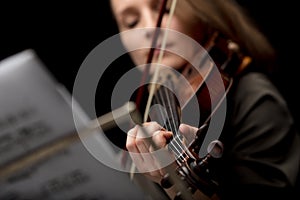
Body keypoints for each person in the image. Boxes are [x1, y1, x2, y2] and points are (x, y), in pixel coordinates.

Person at [108, 0, 300, 199]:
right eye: (131, 22)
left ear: (203, 12)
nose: (149, 28)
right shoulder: (160, 106)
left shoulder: (255, 99)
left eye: (164, 10)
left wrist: (176, 181)